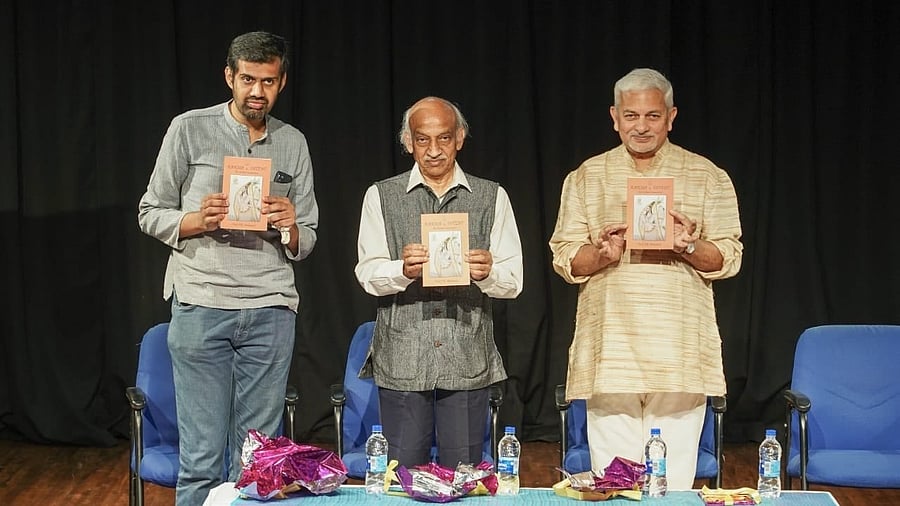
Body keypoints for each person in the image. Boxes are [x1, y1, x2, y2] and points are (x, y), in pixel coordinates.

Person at [137, 31, 318, 506]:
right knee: (200, 458)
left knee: (257, 462)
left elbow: (308, 238)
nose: (257, 91)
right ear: (229, 77)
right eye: (248, 80)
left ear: (281, 82)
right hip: (202, 302)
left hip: (271, 308)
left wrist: (289, 225)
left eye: (268, 82)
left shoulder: (292, 142)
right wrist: (197, 220)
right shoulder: (189, 128)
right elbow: (150, 211)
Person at [548, 68, 742, 489]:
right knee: (615, 483)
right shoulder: (587, 176)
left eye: (652, 116)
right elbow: (565, 259)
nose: (641, 126)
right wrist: (601, 255)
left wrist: (687, 246)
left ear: (671, 117)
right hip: (611, 349)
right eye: (631, 115)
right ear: (614, 117)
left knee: (670, 483)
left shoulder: (707, 175)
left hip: (680, 349)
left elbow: (729, 257)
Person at [354, 96, 523, 468]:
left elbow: (513, 281)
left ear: (459, 138)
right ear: (408, 142)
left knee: (463, 474)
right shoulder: (381, 196)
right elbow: (367, 274)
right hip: (403, 357)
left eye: (443, 138)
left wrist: (488, 274)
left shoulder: (492, 196)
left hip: (466, 356)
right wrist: (403, 270)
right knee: (401, 474)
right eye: (422, 140)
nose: (433, 150)